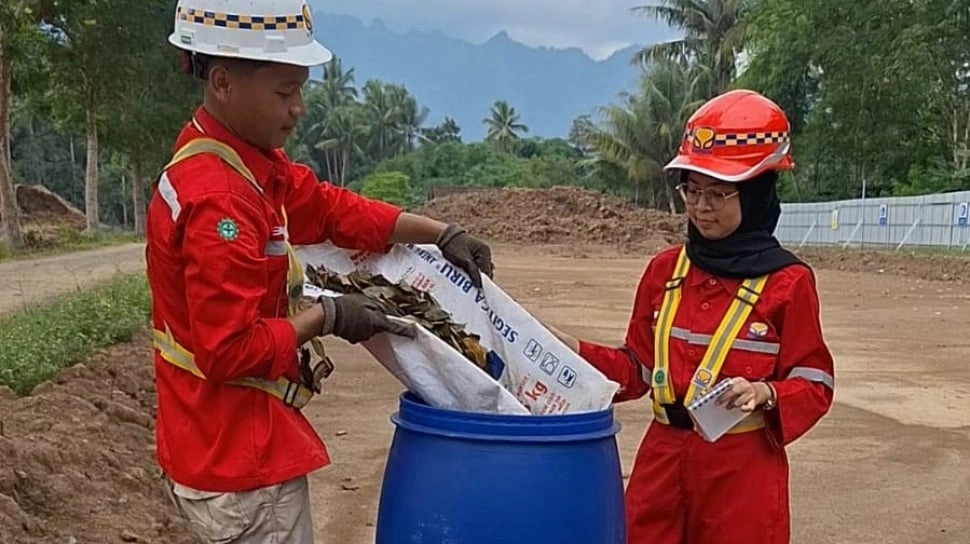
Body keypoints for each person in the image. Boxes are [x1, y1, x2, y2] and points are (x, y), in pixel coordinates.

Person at [145, 1, 494, 542]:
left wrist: (439, 233)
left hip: (225, 443)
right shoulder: (221, 199)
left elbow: (329, 210)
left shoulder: (239, 162)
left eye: (300, 90)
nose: (299, 108)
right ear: (222, 82)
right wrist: (327, 317)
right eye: (285, 92)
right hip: (237, 462)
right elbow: (227, 351)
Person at [550, 89, 835, 544]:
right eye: (692, 190)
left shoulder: (789, 283)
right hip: (662, 460)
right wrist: (572, 350)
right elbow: (638, 370)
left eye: (720, 194)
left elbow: (816, 383)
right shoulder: (665, 271)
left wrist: (767, 392)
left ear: (758, 193)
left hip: (741, 467)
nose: (702, 207)